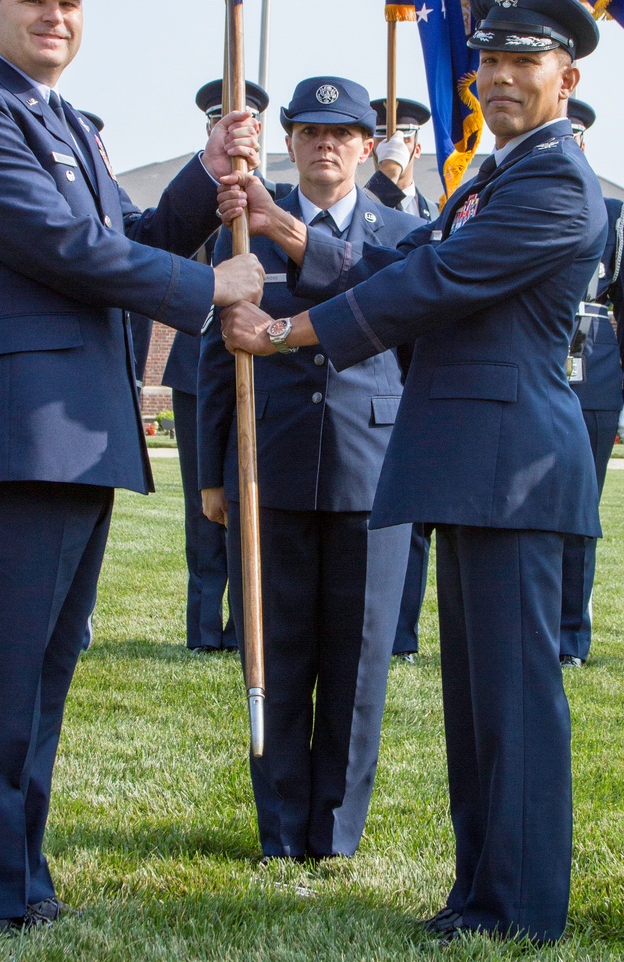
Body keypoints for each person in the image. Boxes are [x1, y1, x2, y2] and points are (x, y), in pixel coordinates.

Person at [221, 0, 606, 944]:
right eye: (490, 59)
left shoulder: (555, 178)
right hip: (470, 460)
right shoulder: (494, 173)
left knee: (513, 703)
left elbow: (435, 279)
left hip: (512, 463)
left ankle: (518, 904)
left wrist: (290, 332)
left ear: (565, 75)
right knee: (476, 707)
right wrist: (289, 240)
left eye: (525, 61)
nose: (502, 76)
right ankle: (478, 890)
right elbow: (397, 262)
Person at [0, 0, 262, 932]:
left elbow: (128, 232)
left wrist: (205, 174)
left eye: (71, 2)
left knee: (43, 669)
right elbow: (62, 245)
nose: (56, 15)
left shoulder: (71, 122)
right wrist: (208, 286)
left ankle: (18, 873)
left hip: (74, 432)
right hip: (9, 431)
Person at [200, 76, 418, 860]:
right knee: (278, 649)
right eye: (311, 131)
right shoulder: (241, 232)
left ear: (367, 146)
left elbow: (410, 332)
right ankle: (282, 829)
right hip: (272, 464)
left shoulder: (403, 229)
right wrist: (213, 474)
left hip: (371, 466)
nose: (327, 144)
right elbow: (212, 350)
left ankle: (335, 832)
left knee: (359, 659)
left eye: (344, 132)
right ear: (288, 142)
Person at [161, 76, 273, 653]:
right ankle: (205, 629)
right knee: (204, 504)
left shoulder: (271, 199)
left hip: (263, 359)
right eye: (222, 121)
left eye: (246, 121)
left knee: (257, 498)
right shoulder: (197, 194)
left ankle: (251, 623)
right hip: (198, 363)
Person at [559, 99, 624, 666]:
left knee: (581, 513)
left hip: (594, 378)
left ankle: (571, 636)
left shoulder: (612, 215)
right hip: (535, 367)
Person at [367, 96, 439, 660]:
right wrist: (385, 177)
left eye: (409, 136)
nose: (403, 145)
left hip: (428, 374)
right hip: (379, 373)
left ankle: (407, 632)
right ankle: (389, 633)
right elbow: (357, 248)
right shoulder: (371, 199)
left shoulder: (442, 205)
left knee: (420, 515)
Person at [367, 96, 439, 221]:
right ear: (369, 148)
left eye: (404, 138)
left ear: (417, 150)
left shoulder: (438, 214)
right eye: (383, 137)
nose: (393, 146)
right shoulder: (354, 208)